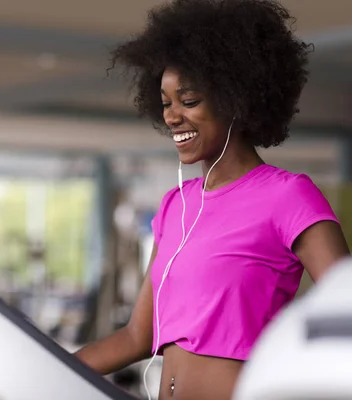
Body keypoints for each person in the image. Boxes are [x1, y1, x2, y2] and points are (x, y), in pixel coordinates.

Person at [74, 0, 350, 399]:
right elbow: (138, 335)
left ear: (235, 99)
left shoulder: (287, 196)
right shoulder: (174, 206)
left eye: (188, 101)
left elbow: (343, 314)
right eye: (167, 103)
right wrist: (38, 369)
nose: (171, 117)